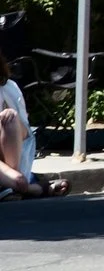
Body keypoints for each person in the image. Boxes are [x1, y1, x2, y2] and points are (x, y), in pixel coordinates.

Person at [0, 51, 67, 199]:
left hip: (12, 158)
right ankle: (28, 188)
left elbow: (24, 131)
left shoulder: (9, 88)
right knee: (18, 180)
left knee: (10, 118)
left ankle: (13, 187)